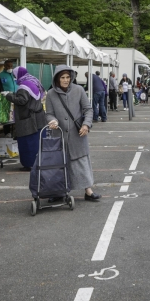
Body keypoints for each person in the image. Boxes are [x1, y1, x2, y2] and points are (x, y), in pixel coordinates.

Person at [46, 66, 100, 201]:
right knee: (59, 164)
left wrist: (86, 124)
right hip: (59, 136)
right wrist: (52, 121)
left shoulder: (79, 90)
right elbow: (49, 114)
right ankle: (59, 192)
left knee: (81, 162)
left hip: (78, 134)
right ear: (57, 79)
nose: (65, 80)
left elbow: (88, 109)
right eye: (62, 78)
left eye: (68, 77)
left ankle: (88, 191)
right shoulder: (51, 94)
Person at [5, 67, 47, 171]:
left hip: (28, 120)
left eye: (15, 75)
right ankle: (38, 162)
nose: (15, 78)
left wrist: (8, 96)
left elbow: (22, 100)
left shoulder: (24, 86)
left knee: (27, 143)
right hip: (39, 118)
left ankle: (29, 164)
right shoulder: (33, 82)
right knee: (37, 142)